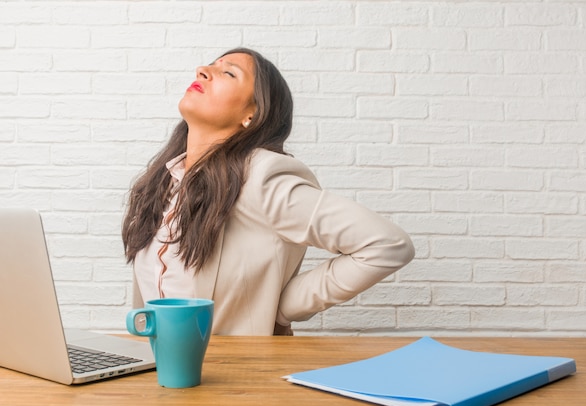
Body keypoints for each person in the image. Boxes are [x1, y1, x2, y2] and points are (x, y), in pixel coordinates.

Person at [122, 47, 415, 335]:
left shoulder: (263, 178)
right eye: (210, 65)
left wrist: (280, 306)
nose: (203, 70)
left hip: (228, 373)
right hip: (151, 369)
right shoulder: (162, 182)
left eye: (227, 72)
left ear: (252, 114)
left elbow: (387, 245)